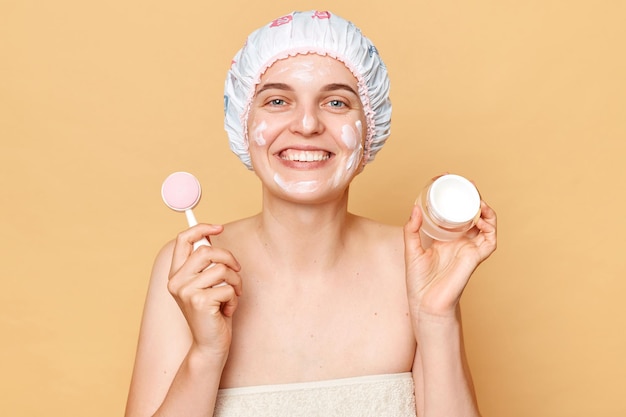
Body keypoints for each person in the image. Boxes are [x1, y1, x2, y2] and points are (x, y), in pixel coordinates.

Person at [125, 10, 497, 417]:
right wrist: (206, 353)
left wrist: (435, 318)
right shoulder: (194, 269)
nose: (306, 124)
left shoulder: (415, 265)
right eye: (278, 100)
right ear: (244, 122)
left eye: (335, 101)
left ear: (368, 125)